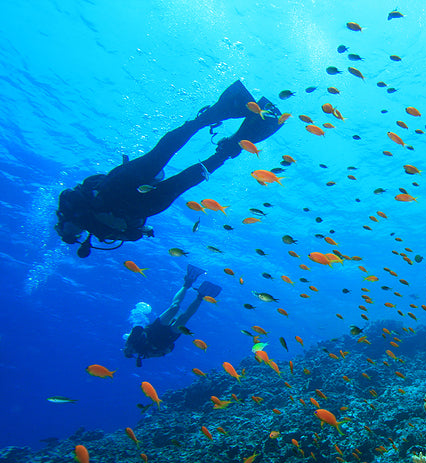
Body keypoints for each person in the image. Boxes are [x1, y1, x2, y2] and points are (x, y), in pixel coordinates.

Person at [56, 80, 283, 258]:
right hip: (141, 205)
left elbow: (71, 195)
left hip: (119, 187)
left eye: (67, 231)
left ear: (62, 225)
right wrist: (113, 228)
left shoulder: (69, 207)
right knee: (187, 179)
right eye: (75, 235)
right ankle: (236, 143)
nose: (75, 232)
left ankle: (215, 114)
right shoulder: (100, 232)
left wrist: (97, 224)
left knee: (161, 153)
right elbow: (134, 235)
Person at [123, 265, 220, 366]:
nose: (130, 350)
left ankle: (188, 282)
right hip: (168, 338)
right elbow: (169, 349)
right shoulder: (145, 354)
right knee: (184, 317)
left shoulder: (132, 341)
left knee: (174, 307)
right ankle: (200, 296)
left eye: (127, 350)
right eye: (130, 352)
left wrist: (130, 341)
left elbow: (138, 328)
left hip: (155, 328)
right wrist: (156, 352)